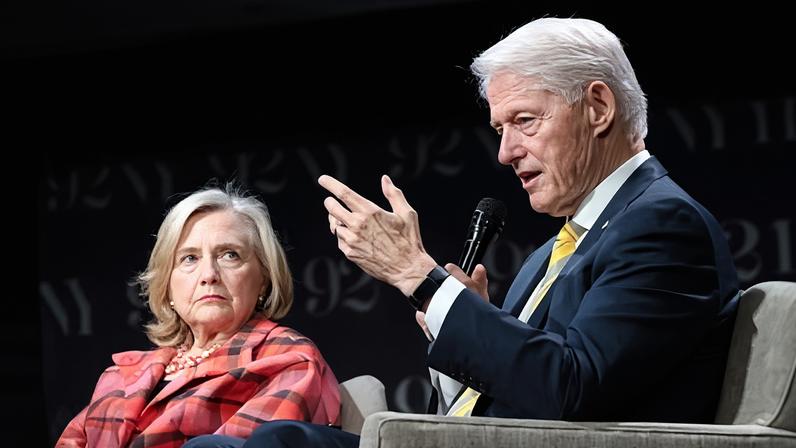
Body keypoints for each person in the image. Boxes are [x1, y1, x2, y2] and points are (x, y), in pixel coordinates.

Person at [193, 16, 741, 448]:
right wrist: (471, 327)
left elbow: (572, 391)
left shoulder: (662, 225)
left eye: (525, 121)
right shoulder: (555, 250)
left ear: (598, 108)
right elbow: (519, 396)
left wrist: (421, 278)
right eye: (500, 129)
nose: (505, 153)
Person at [56, 185, 341, 448]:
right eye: (189, 258)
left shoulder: (287, 357)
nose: (209, 275)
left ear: (264, 280)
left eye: (229, 255)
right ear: (167, 285)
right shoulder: (120, 376)